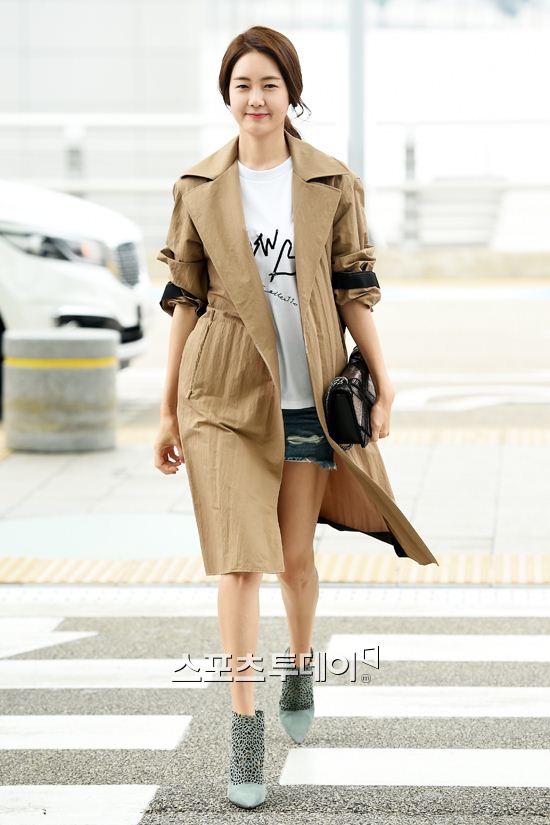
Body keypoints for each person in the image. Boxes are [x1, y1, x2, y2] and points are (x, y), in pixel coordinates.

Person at [153, 25, 438, 811]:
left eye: (269, 85)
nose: (256, 98)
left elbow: (353, 286)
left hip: (308, 393)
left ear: (291, 95)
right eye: (243, 85)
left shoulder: (331, 182)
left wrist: (383, 380)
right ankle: (245, 730)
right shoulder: (198, 187)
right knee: (238, 561)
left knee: (293, 560)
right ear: (227, 95)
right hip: (222, 396)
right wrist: (168, 407)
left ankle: (302, 665)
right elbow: (183, 300)